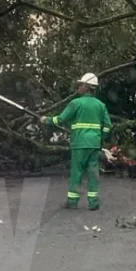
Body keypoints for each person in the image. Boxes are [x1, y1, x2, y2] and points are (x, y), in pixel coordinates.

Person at [42, 73, 112, 210]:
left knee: (77, 172)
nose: (78, 87)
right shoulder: (100, 105)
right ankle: (93, 203)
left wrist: (46, 120)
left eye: (80, 84)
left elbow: (60, 119)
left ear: (87, 87)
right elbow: (108, 126)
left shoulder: (75, 103)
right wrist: (100, 139)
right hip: (94, 144)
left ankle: (72, 202)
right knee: (93, 172)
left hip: (79, 143)